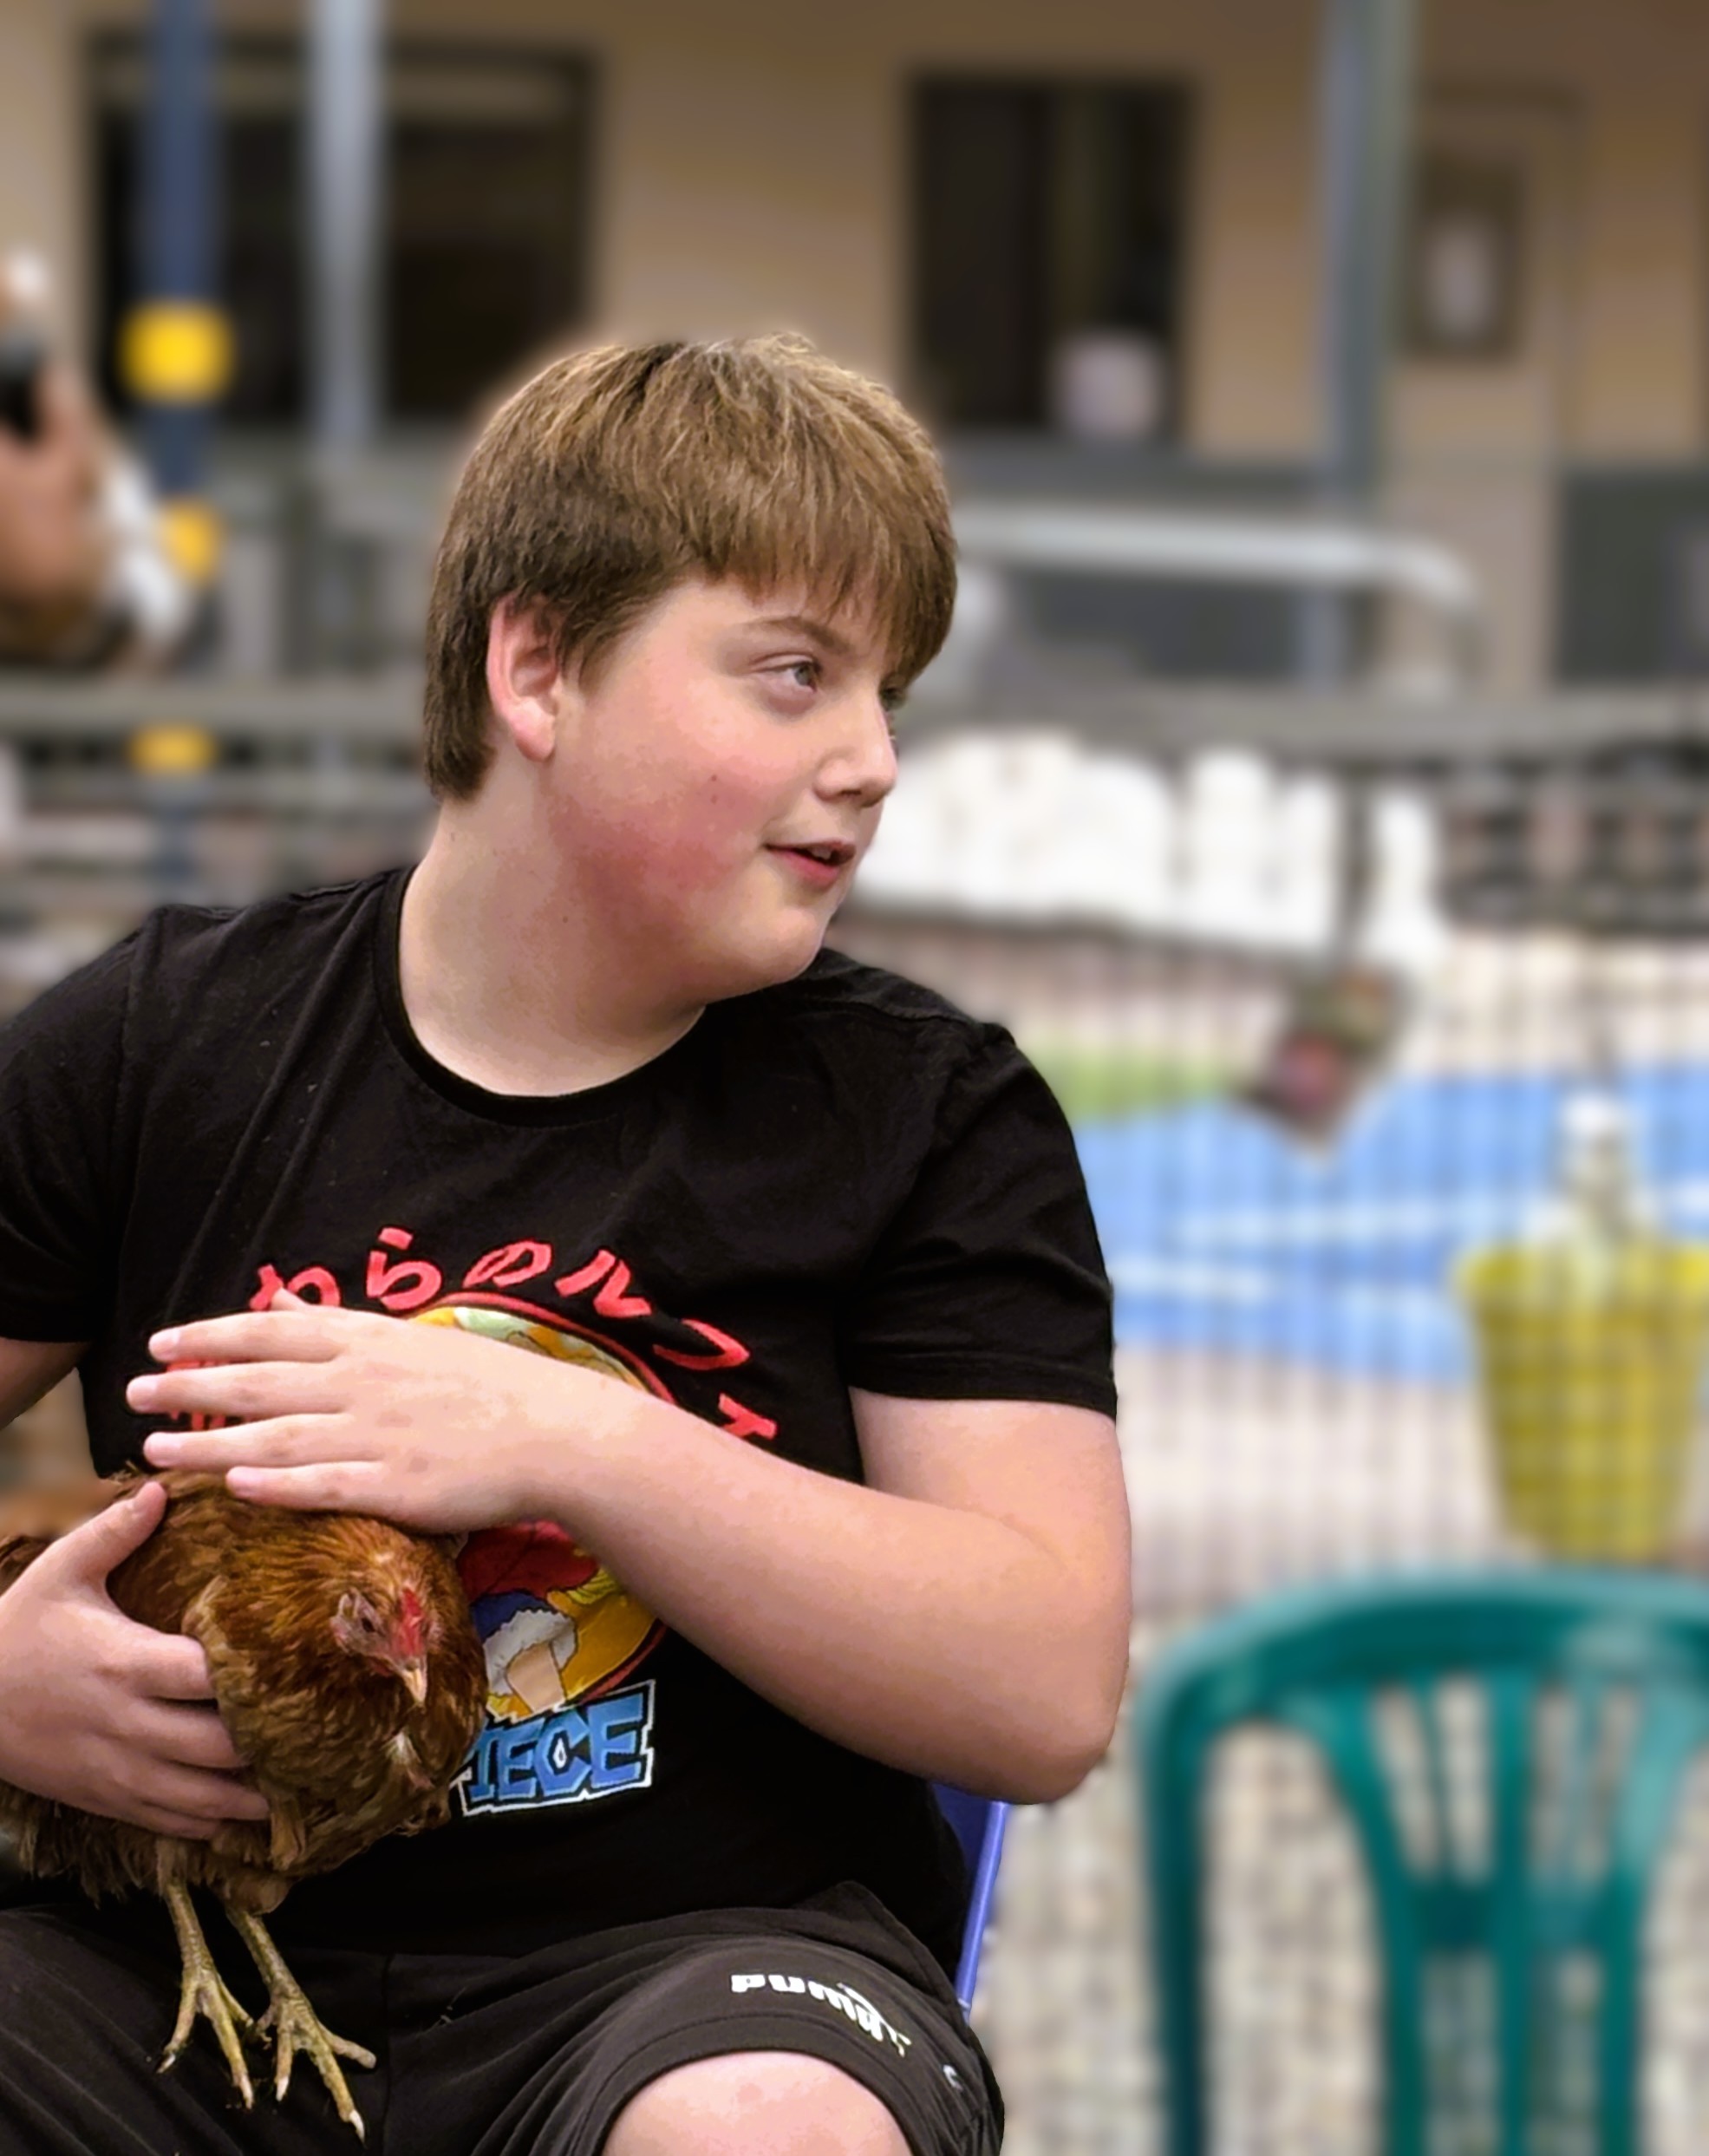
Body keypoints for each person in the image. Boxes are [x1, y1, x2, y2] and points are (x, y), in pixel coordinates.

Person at [0, 336, 1129, 2154]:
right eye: (792, 674)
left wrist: (569, 1439)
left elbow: (1044, 1683)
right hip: (159, 1964)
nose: (872, 760)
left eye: (887, 693)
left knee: (759, 2130)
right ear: (536, 666)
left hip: (697, 1965)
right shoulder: (161, 1041)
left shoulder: (925, 1114)